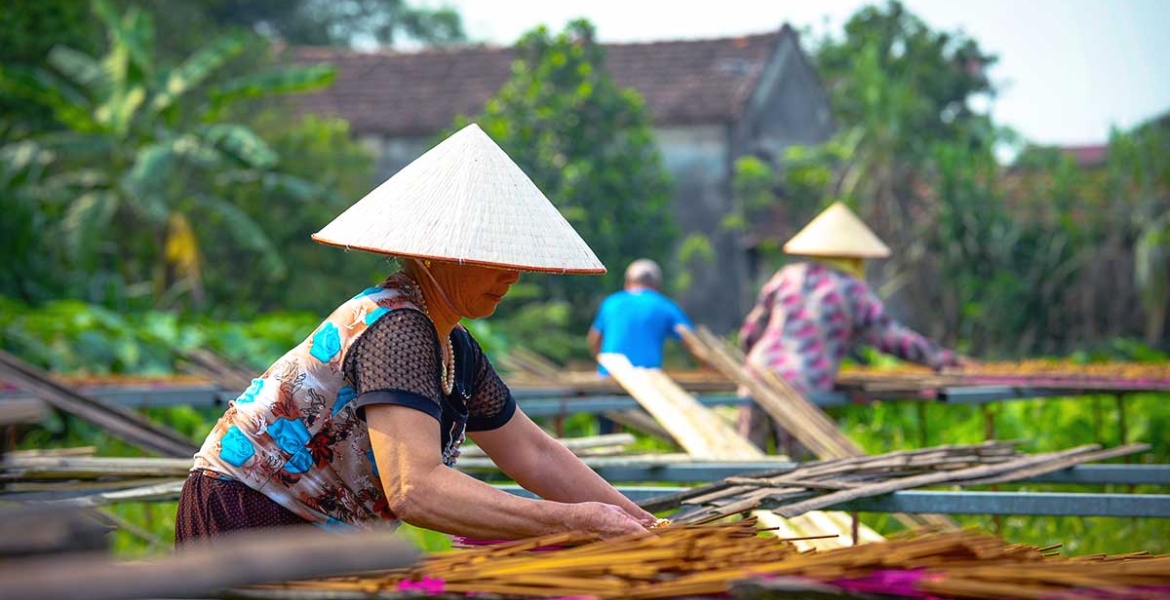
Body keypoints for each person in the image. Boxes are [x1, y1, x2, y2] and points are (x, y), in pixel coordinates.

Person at [176, 124, 656, 545]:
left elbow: (535, 453)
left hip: (318, 532)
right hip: (252, 516)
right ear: (439, 254)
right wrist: (573, 522)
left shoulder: (456, 350)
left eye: (517, 261)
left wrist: (642, 526)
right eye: (495, 258)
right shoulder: (397, 327)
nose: (512, 276)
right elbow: (416, 490)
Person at [737, 202, 969, 452]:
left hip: (756, 376)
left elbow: (751, 331)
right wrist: (941, 358)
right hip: (803, 385)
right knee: (798, 470)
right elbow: (890, 338)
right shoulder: (851, 289)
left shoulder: (787, 276)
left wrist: (748, 365)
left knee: (749, 459)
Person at [587, 259, 696, 376]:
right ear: (657, 285)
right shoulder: (665, 306)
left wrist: (603, 363)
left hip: (609, 378)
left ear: (628, 282)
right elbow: (692, 341)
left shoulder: (611, 302)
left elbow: (594, 340)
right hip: (646, 383)